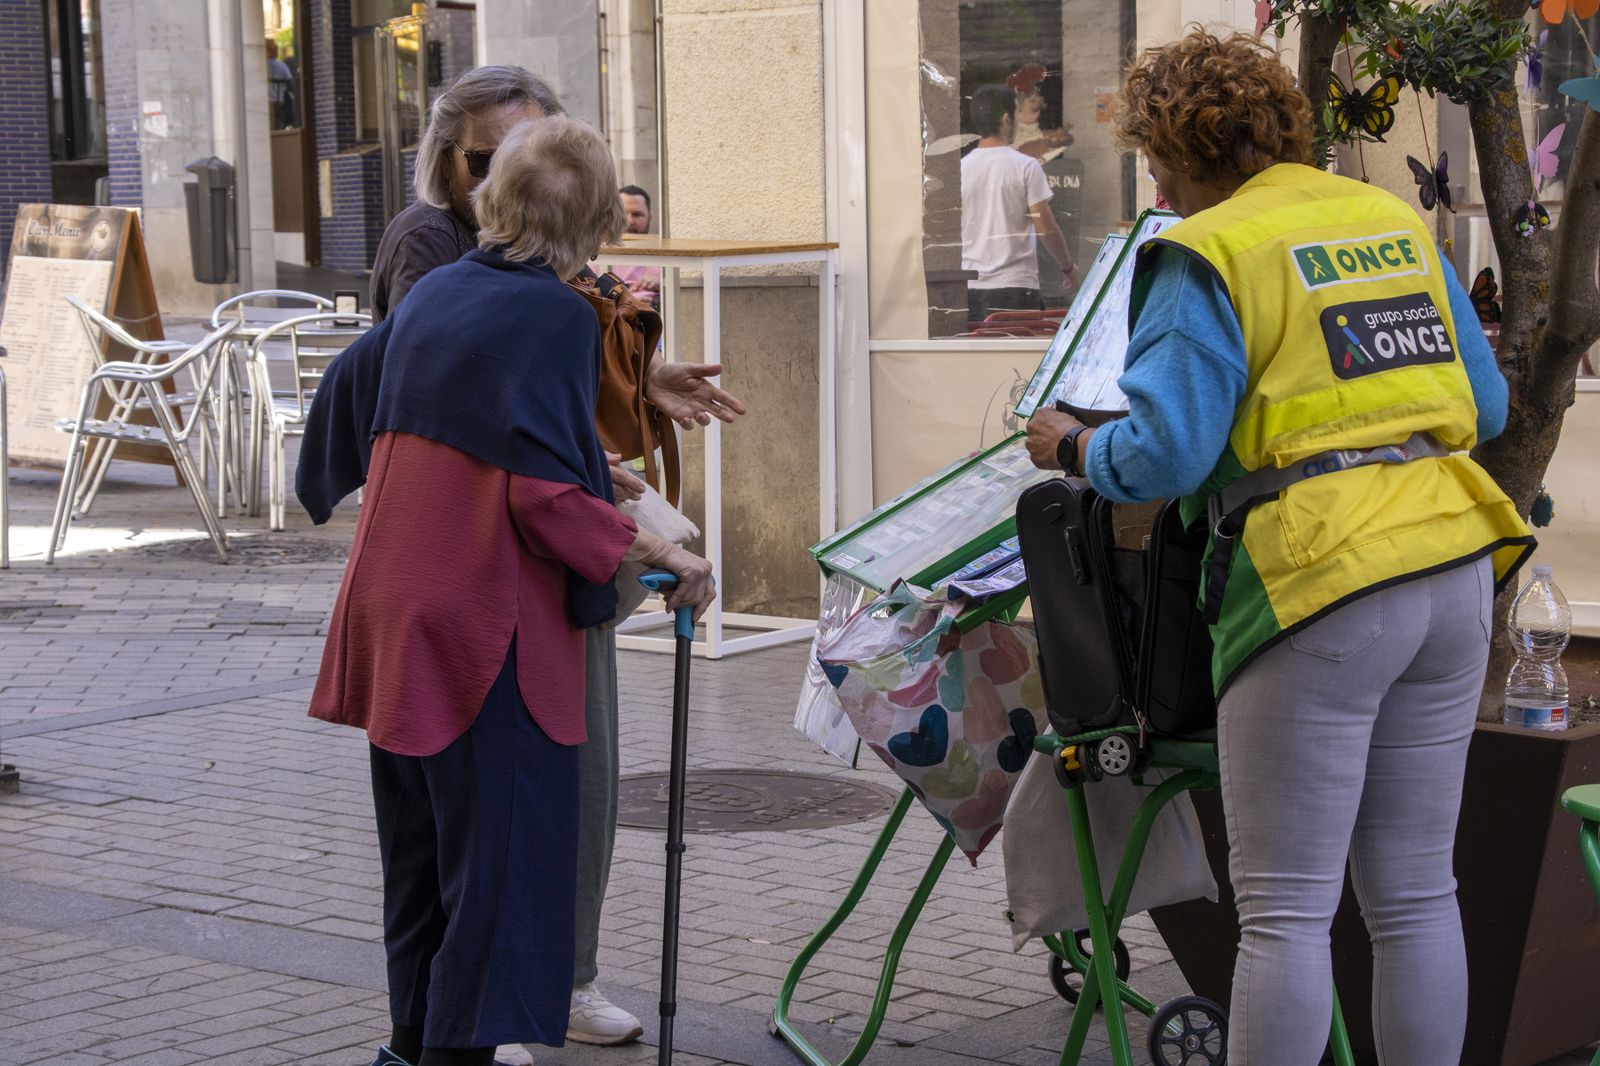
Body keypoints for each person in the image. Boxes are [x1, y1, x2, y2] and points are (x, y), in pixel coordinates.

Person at [1024, 31, 1533, 1066]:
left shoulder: (1205, 249)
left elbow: (1165, 451)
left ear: (1182, 149)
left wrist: (1073, 443)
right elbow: (1482, 403)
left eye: (1156, 161)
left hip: (1318, 580)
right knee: (1414, 890)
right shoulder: (1391, 221)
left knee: (1287, 913)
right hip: (1449, 561)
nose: (1156, 184)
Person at [298, 116, 718, 1066]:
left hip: (392, 616)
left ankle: (407, 1050)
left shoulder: (442, 287)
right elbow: (540, 498)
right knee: (498, 874)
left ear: (494, 201)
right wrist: (664, 551)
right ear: (602, 221)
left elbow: (379, 411)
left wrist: (571, 460)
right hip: (480, 634)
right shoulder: (558, 313)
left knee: (420, 870)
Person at [961, 84, 1078, 324]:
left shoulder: (961, 169)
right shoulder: (1024, 166)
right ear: (1006, 119)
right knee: (1016, 360)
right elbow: (1045, 226)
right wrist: (1068, 267)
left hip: (968, 287)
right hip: (1015, 288)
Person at [605, 184, 661, 308]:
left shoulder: (664, 254)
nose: (629, 221)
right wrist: (628, 302)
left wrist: (662, 285)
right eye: (623, 213)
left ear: (650, 217)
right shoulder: (597, 255)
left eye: (637, 214)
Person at [266, 40, 295, 130]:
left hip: (264, 102)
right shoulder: (282, 66)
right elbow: (290, 83)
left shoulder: (261, 66)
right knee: (280, 122)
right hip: (279, 101)